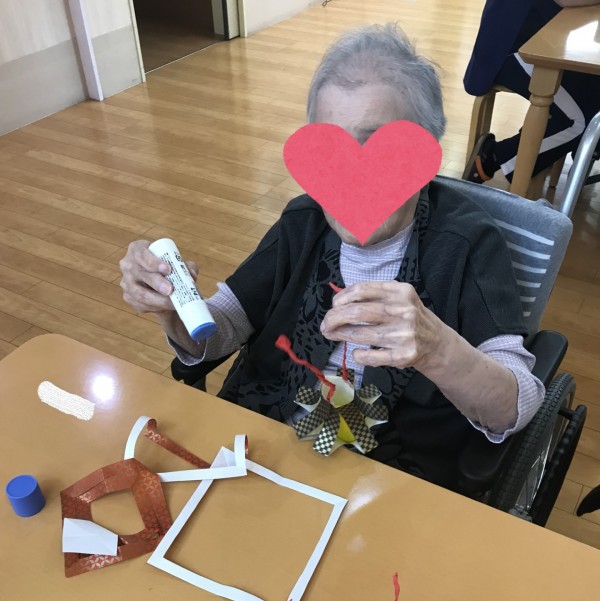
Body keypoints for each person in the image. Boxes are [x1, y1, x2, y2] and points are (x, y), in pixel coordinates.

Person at [120, 23, 545, 494]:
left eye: (377, 146)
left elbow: (515, 406)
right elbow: (220, 332)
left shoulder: (466, 241)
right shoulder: (302, 222)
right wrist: (174, 308)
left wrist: (438, 349)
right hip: (265, 445)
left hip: (389, 477)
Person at [463, 0, 600, 184]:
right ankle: (492, 158)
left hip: (544, 42)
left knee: (594, 94)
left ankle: (561, 149)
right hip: (512, 52)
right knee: (582, 121)